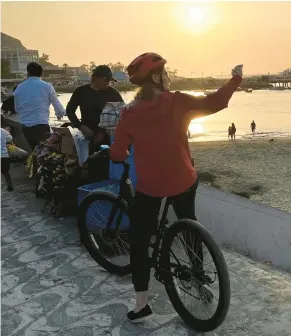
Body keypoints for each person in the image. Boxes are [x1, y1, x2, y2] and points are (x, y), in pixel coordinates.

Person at [109, 52, 243, 322]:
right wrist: (235, 79)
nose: (169, 78)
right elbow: (215, 102)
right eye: (166, 74)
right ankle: (198, 274)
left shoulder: (129, 113)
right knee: (188, 222)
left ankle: (141, 303)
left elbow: (118, 152)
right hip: (183, 178)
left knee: (139, 241)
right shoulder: (178, 101)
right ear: (157, 78)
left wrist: (117, 154)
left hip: (150, 185)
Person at [66, 65, 124, 154]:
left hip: (107, 136)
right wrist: (80, 126)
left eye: (109, 80)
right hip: (85, 133)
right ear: (95, 78)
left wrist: (102, 132)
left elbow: (121, 114)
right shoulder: (81, 91)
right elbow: (70, 110)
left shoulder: (113, 93)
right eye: (106, 80)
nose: (108, 83)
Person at [13, 62, 65, 151]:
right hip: (41, 126)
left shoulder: (19, 88)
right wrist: (61, 113)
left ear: (28, 73)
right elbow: (58, 107)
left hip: (26, 128)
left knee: (35, 152)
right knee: (45, 154)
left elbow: (17, 108)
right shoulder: (47, 86)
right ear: (41, 74)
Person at [1, 115, 14, 191]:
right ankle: (9, 186)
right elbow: (10, 138)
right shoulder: (4, 131)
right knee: (5, 172)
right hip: (3, 155)